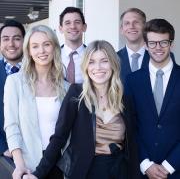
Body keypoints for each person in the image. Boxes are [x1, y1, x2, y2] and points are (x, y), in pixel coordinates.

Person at [23, 40, 140, 179]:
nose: (98, 67)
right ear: (86, 66)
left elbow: (132, 144)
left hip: (119, 172)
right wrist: (38, 174)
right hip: (85, 172)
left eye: (104, 61)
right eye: (91, 62)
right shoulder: (76, 94)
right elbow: (59, 137)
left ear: (113, 64)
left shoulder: (125, 99)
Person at [4, 25, 69, 179]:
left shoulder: (67, 88)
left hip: (60, 164)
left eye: (46, 44)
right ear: (29, 51)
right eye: (35, 46)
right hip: (28, 165)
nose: (42, 51)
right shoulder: (15, 82)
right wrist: (20, 165)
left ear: (54, 48)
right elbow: (12, 126)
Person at [125, 19, 180, 179]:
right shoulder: (132, 80)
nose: (158, 48)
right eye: (153, 43)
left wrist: (169, 166)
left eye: (163, 42)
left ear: (171, 44)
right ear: (146, 45)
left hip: (177, 169)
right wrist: (145, 164)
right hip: (142, 169)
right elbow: (130, 126)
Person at [0, 19, 25, 165]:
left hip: (40, 153)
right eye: (5, 39)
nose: (11, 44)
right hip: (5, 155)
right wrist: (3, 147)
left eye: (17, 38)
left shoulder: (41, 70)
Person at [117, 8, 149, 84]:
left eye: (136, 22)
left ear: (145, 27)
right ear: (122, 29)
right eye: (127, 23)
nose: (131, 26)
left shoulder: (160, 57)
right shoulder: (113, 58)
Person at [59, 6, 87, 84]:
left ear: (84, 27)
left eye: (77, 22)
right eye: (67, 23)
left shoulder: (92, 55)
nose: (73, 26)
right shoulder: (53, 55)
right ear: (61, 28)